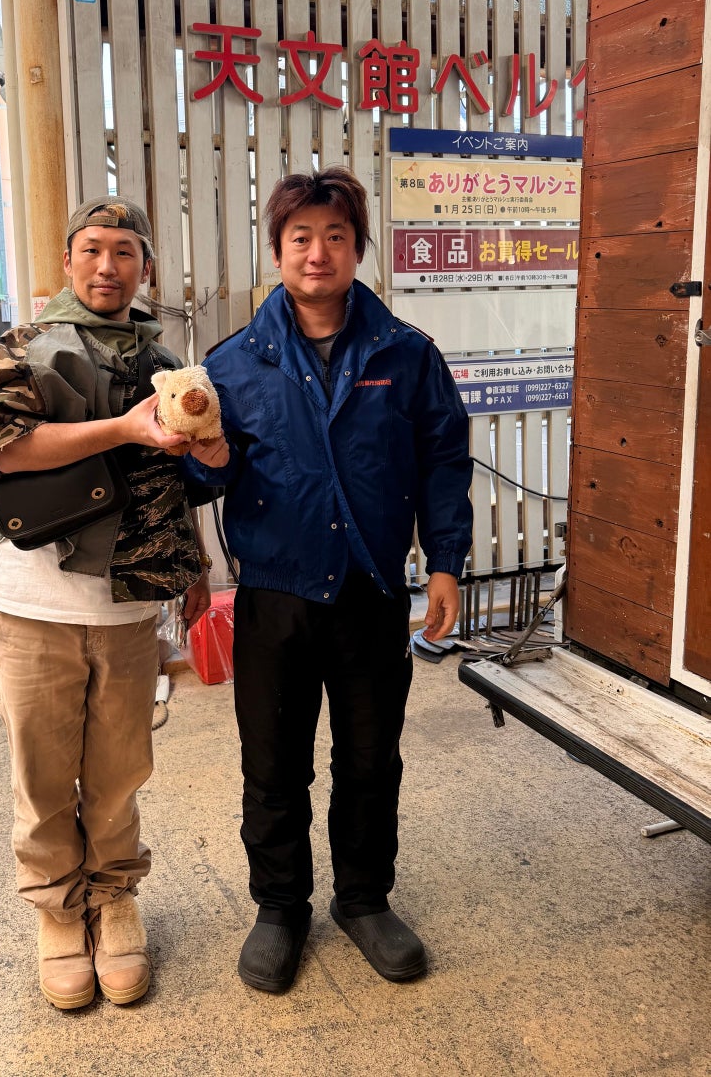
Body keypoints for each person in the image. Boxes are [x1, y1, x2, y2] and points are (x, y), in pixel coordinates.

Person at [183, 167, 472, 994]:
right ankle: (279, 909)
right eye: (300, 237)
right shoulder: (232, 365)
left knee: (370, 760)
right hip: (273, 596)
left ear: (356, 249)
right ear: (277, 251)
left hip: (370, 593)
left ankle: (362, 900)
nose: (318, 253)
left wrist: (444, 561)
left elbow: (443, 461)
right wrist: (207, 458)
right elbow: (201, 480)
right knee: (273, 766)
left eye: (335, 237)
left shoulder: (406, 355)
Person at [0, 197, 228, 1012]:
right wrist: (122, 430)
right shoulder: (24, 347)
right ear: (68, 260)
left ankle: (113, 902)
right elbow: (2, 450)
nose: (107, 266)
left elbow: (175, 479)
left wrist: (194, 557)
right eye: (91, 249)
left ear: (145, 266)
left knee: (118, 777)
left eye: (124, 252)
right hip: (34, 603)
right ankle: (56, 913)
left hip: (129, 610)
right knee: (42, 779)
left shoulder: (167, 361)